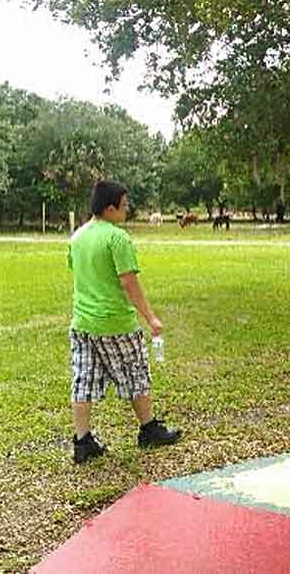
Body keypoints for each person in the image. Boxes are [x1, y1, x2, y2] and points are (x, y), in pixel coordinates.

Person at [67, 180, 181, 464]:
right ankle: (148, 429)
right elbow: (128, 281)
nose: (127, 209)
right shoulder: (117, 238)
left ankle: (82, 442)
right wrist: (150, 317)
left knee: (83, 380)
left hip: (82, 323)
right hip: (115, 324)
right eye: (124, 204)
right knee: (135, 374)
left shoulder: (78, 236)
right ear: (110, 208)